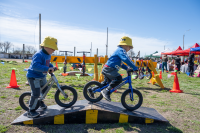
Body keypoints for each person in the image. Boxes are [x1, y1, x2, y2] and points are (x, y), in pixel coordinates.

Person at [90, 36, 138, 102]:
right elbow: (126, 59)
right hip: (110, 69)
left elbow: (121, 64)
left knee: (106, 83)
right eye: (129, 47)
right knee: (118, 79)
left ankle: (92, 89)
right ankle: (106, 91)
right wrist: (134, 67)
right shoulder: (121, 50)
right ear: (125, 45)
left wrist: (127, 68)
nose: (129, 49)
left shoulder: (119, 51)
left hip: (107, 68)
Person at [26, 36, 58, 118]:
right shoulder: (39, 54)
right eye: (53, 48)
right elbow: (35, 66)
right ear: (46, 46)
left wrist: (52, 67)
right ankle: (31, 111)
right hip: (34, 76)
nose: (54, 50)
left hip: (42, 76)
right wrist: (47, 68)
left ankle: (39, 102)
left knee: (45, 90)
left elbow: (47, 64)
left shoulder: (48, 55)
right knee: (36, 93)